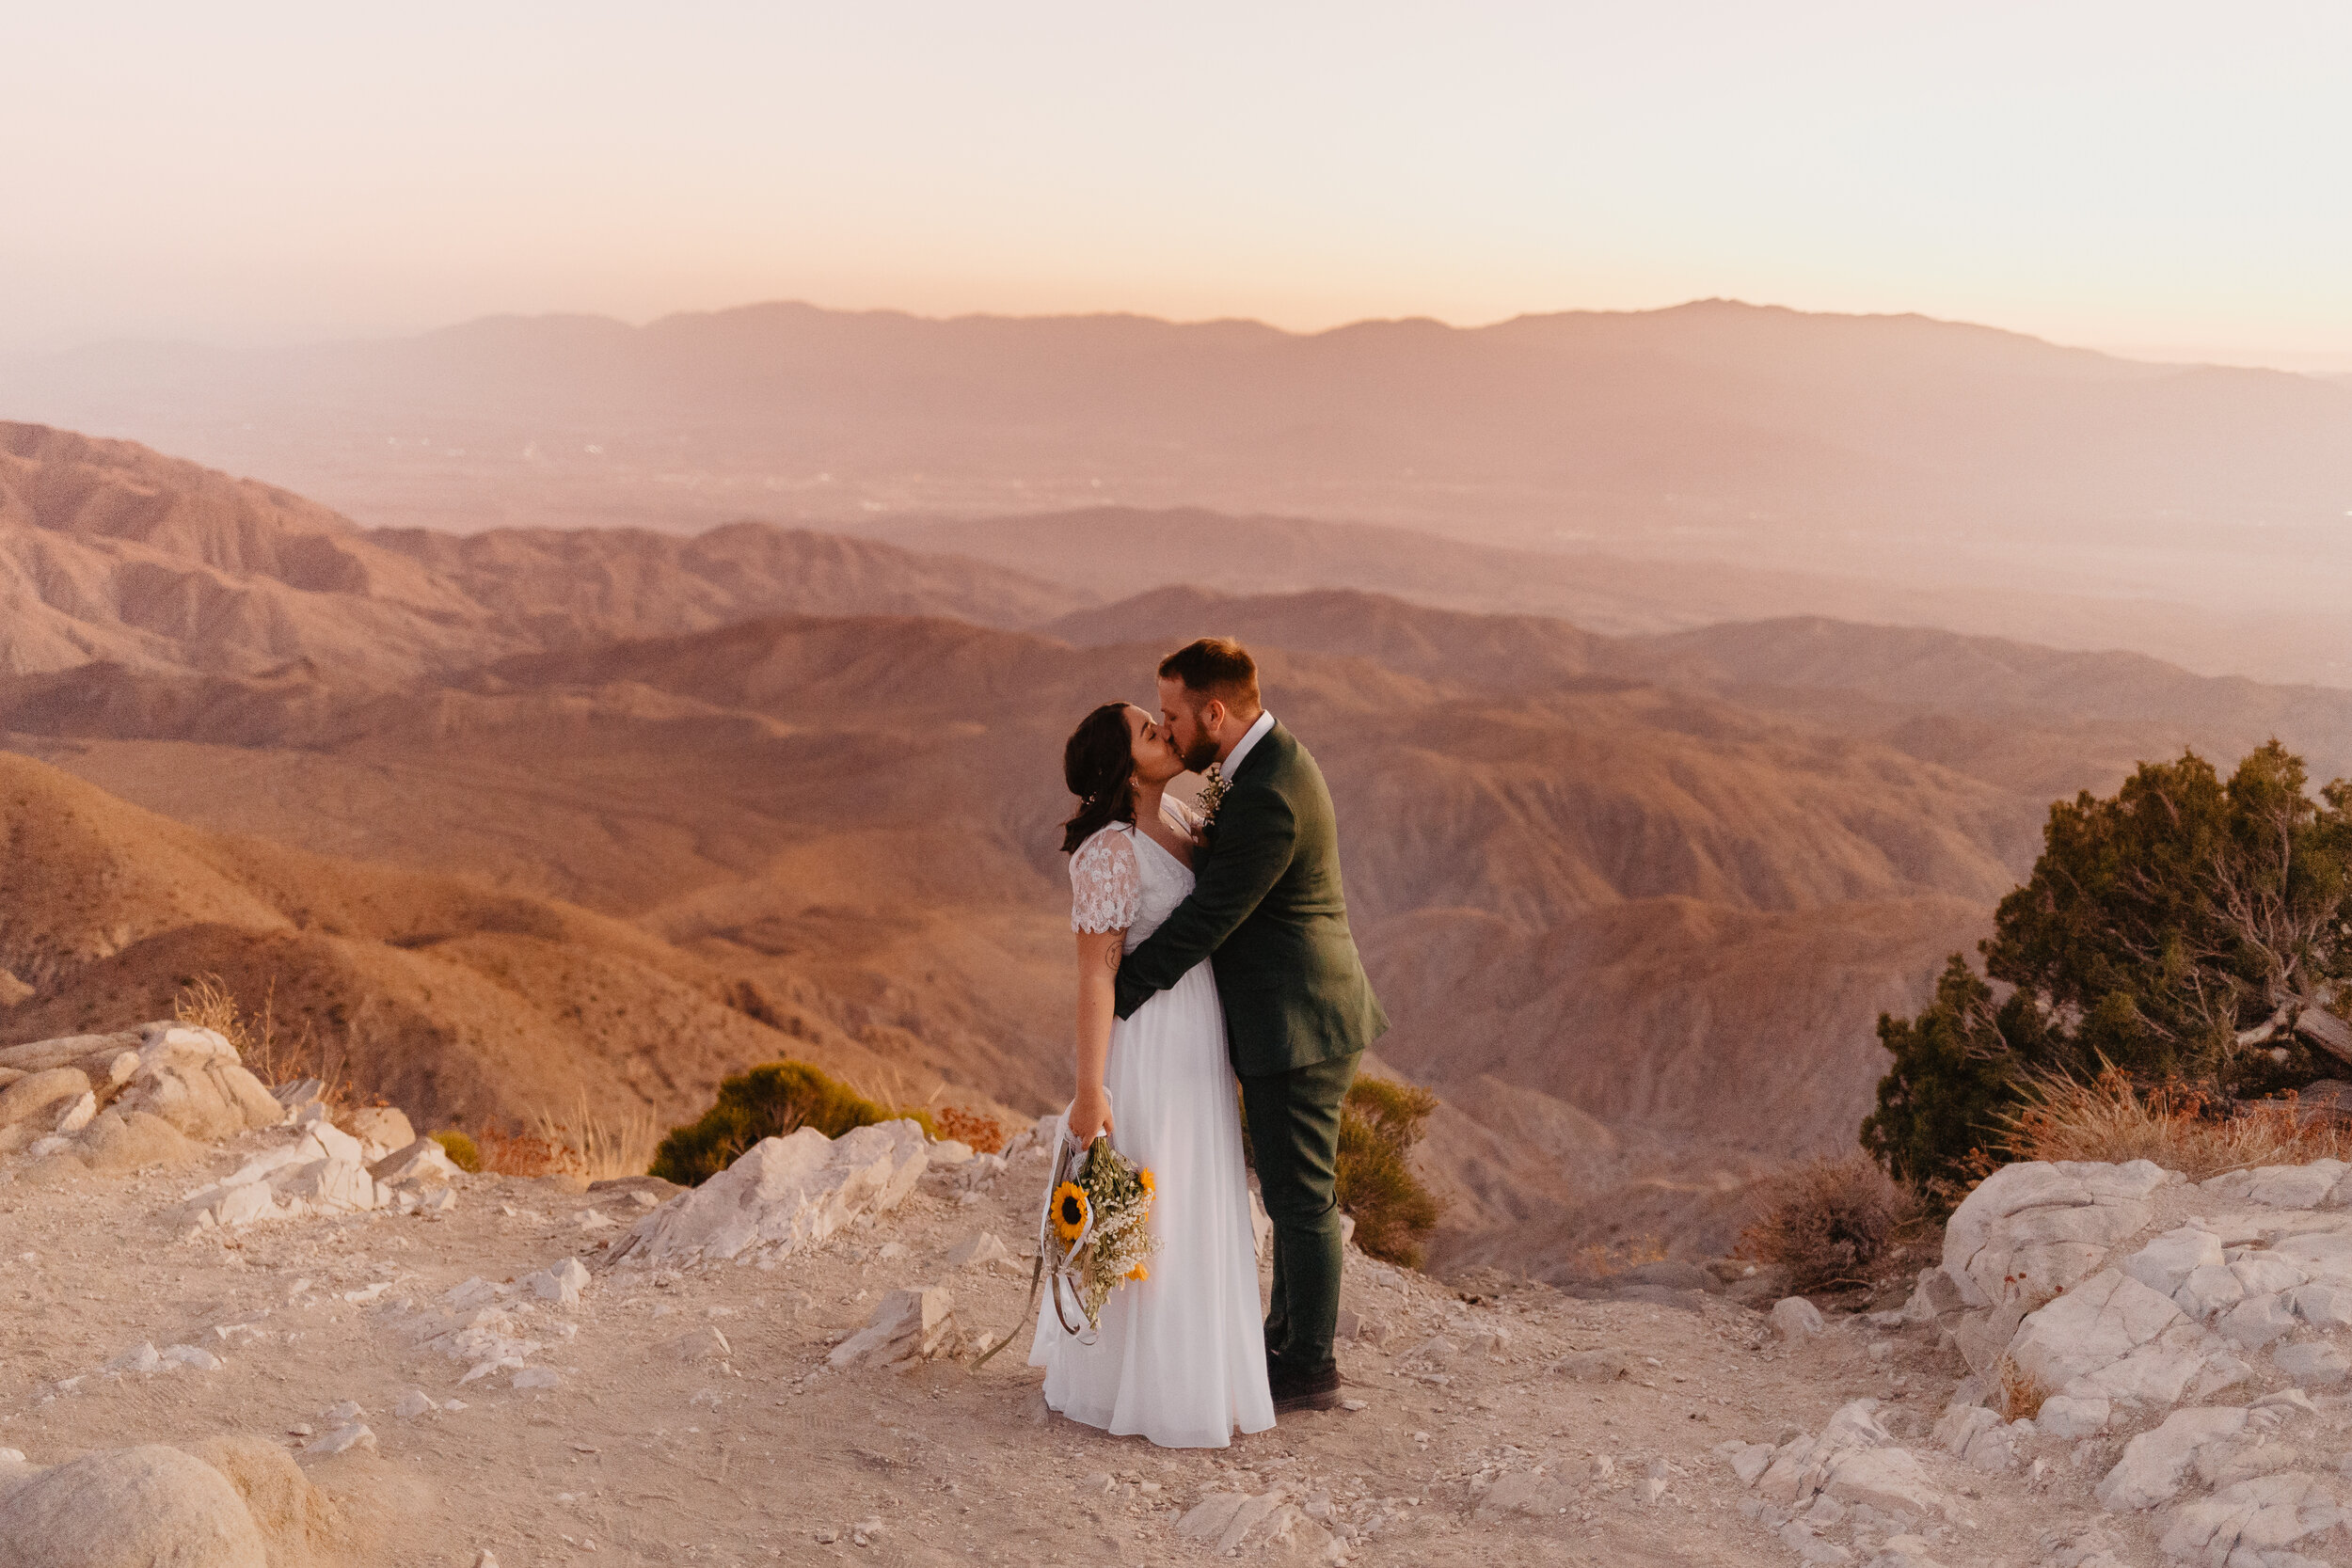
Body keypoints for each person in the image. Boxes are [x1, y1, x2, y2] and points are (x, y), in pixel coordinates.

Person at [1115, 638, 1387, 1415]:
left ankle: (1309, 1366)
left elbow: (1211, 916)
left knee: (1302, 1202)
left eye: (1172, 715)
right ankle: (1279, 1340)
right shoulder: (1255, 768)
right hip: (1289, 1017)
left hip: (1300, 1023)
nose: (1166, 730)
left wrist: (1122, 987)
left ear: (1215, 711)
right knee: (1291, 1196)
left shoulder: (1267, 790)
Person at [1028, 701, 1275, 1448]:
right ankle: (1138, 1382)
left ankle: (1198, 1368)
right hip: (1150, 1041)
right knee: (1151, 1199)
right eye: (1149, 731)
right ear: (1122, 767)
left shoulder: (1181, 818)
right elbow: (1097, 978)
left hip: (1199, 1031)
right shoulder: (1110, 850)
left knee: (1195, 1189)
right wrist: (1090, 1090)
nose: (1167, 733)